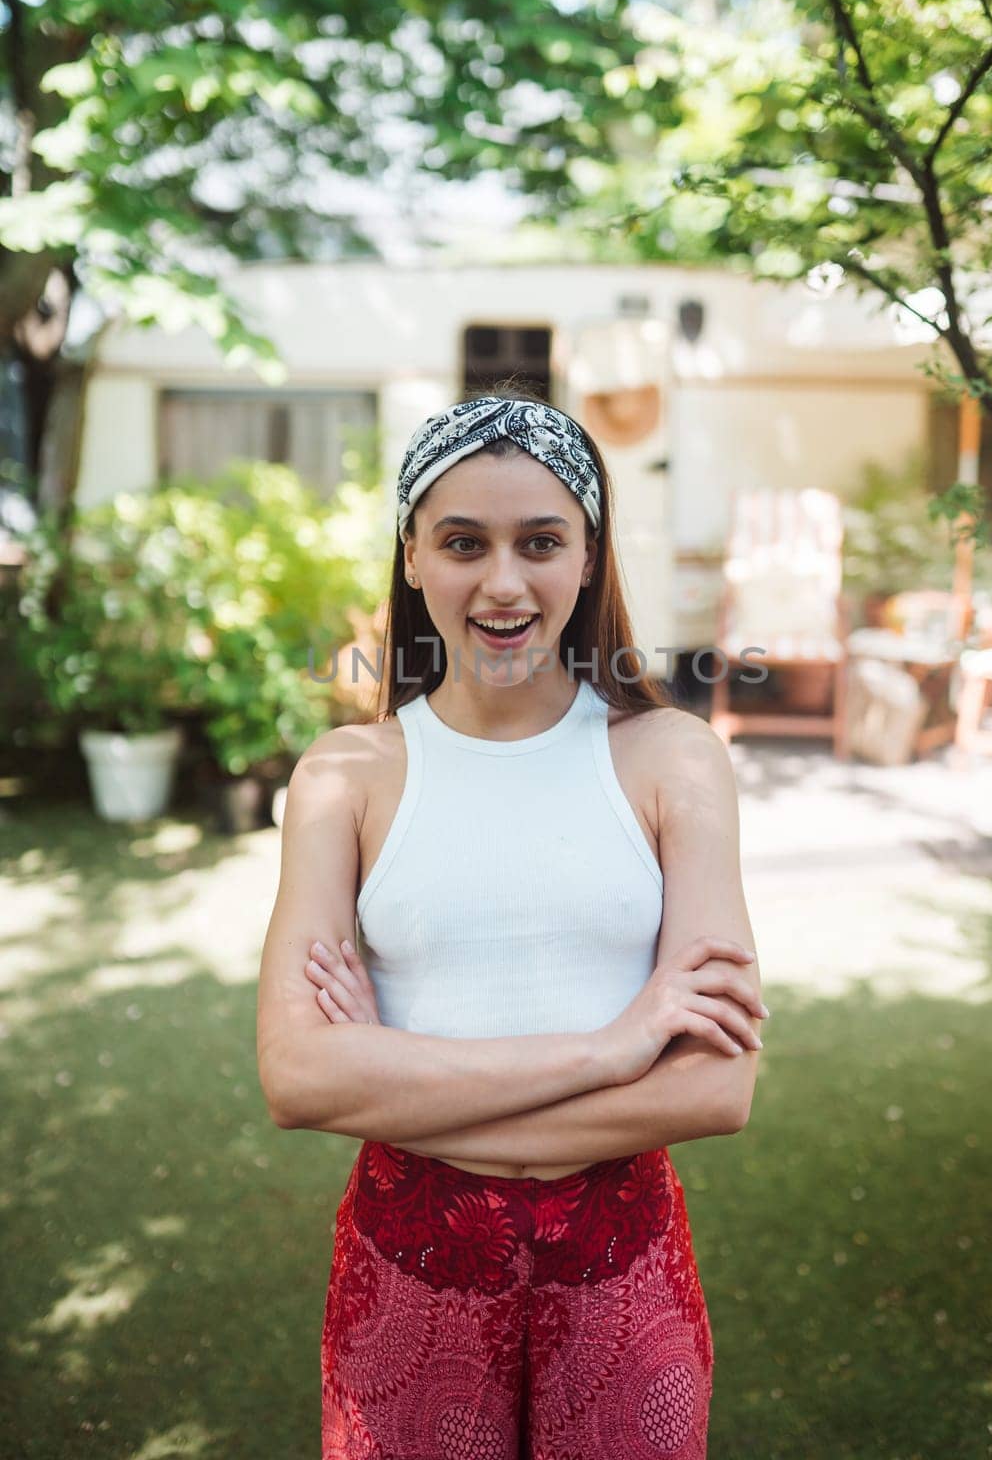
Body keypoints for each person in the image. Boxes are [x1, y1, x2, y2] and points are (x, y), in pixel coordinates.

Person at [256, 392, 767, 1459]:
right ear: (410, 557)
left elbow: (712, 1087)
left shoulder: (672, 758)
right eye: (460, 541)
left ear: (588, 557)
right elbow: (299, 1079)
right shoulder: (342, 777)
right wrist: (611, 1048)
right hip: (405, 1265)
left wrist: (392, 1079)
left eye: (540, 541)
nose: (501, 582)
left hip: (622, 1262)